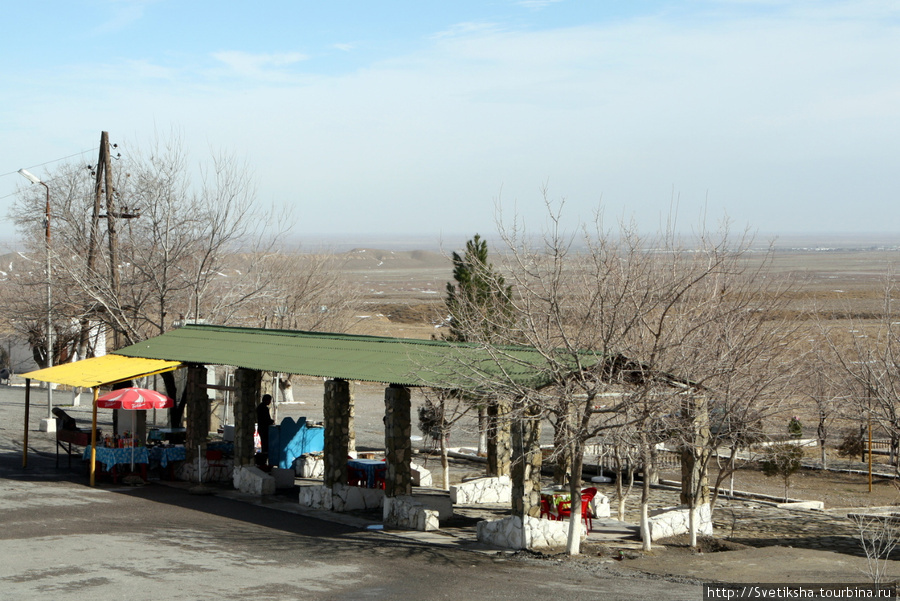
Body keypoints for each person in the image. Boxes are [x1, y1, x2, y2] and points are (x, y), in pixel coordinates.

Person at [256, 394, 274, 464]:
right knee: (265, 445)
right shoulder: (264, 408)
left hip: (261, 428)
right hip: (264, 429)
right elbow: (266, 420)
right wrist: (271, 421)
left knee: (264, 444)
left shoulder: (259, 407)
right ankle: (264, 460)